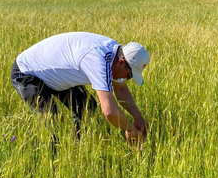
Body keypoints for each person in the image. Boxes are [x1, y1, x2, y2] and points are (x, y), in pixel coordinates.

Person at [11, 32, 149, 144]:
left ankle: (76, 147)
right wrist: (131, 130)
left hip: (55, 74)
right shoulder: (98, 61)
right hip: (28, 72)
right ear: (121, 62)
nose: (126, 78)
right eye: (130, 75)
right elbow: (109, 111)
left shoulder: (116, 54)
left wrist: (137, 116)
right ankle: (50, 165)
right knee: (53, 125)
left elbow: (120, 89)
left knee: (86, 107)